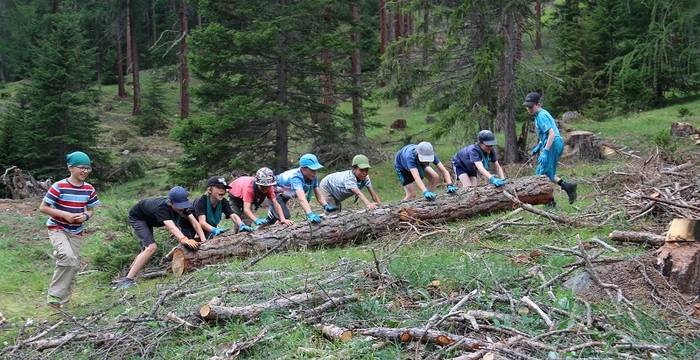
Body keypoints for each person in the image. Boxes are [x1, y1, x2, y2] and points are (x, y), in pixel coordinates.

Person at [39, 151, 100, 308]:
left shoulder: (89, 189)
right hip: (57, 227)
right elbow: (43, 208)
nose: (85, 171)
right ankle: (54, 294)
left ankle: (62, 306)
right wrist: (64, 214)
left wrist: (85, 216)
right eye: (82, 168)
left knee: (72, 265)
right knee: (67, 257)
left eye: (88, 168)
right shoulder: (58, 186)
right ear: (70, 167)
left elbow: (91, 210)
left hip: (76, 231)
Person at [115, 186, 206, 289]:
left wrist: (204, 241)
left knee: (147, 249)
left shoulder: (183, 207)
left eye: (183, 205)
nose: (182, 209)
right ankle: (127, 280)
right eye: (179, 206)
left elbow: (195, 223)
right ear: (171, 202)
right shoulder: (162, 208)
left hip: (150, 217)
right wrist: (184, 239)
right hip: (139, 218)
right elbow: (171, 227)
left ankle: (130, 271)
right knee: (151, 247)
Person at [523, 92, 577, 205]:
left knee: (540, 174)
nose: (529, 109)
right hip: (552, 143)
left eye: (531, 106)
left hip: (553, 144)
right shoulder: (540, 115)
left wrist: (546, 151)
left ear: (538, 104)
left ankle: (550, 203)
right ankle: (568, 187)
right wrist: (539, 146)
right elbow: (547, 135)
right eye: (527, 107)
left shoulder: (541, 115)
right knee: (548, 173)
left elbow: (552, 134)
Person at [267, 153, 337, 224]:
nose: (315, 173)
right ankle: (271, 216)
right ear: (303, 169)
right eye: (312, 170)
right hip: (274, 192)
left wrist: (325, 205)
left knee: (282, 216)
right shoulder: (296, 178)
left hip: (285, 194)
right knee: (285, 216)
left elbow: (318, 194)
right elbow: (301, 198)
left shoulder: (313, 176)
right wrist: (310, 214)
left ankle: (272, 219)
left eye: (316, 170)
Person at [228, 167, 293, 227]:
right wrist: (256, 220)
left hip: (245, 194)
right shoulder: (249, 188)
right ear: (257, 184)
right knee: (238, 220)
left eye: (267, 187)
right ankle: (237, 235)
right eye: (263, 187)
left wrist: (283, 219)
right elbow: (246, 209)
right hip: (234, 195)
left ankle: (245, 233)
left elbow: (276, 204)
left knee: (247, 222)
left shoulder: (269, 187)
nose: (266, 189)